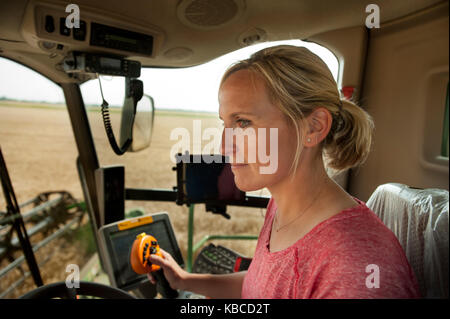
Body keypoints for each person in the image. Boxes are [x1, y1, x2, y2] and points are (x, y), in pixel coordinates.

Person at [147, 45, 421, 299]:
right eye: (225, 123)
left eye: (243, 122)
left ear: (313, 127)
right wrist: (184, 280)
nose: (224, 146)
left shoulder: (354, 271)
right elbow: (262, 285)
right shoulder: (281, 207)